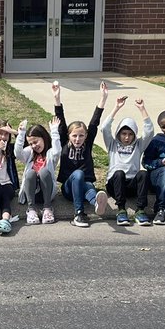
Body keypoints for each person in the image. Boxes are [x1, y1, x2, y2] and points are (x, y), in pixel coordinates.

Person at [53, 80, 105, 227]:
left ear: (86, 137)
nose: (77, 139)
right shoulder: (64, 142)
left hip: (85, 186)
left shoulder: (87, 144)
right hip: (68, 188)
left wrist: (103, 98)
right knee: (78, 174)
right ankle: (79, 213)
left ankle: (96, 203)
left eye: (81, 136)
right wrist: (57, 98)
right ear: (69, 136)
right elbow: (60, 118)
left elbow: (94, 123)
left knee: (88, 185)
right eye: (74, 135)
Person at [100, 95, 152, 226]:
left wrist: (142, 109)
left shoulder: (138, 145)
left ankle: (140, 211)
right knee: (119, 173)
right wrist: (116, 107)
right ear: (118, 134)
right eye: (123, 134)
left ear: (134, 134)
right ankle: (121, 211)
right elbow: (105, 128)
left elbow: (149, 131)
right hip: (115, 184)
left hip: (132, 186)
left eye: (130, 134)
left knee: (143, 173)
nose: (127, 137)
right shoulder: (112, 144)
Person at [14, 117, 62, 224]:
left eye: (36, 142)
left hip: (47, 193)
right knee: (30, 173)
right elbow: (18, 153)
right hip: (32, 194)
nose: (34, 146)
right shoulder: (29, 153)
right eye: (31, 144)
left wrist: (54, 131)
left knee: (44, 172)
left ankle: (48, 209)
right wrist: (21, 134)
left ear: (44, 138)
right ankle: (31, 210)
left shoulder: (51, 154)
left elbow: (57, 150)